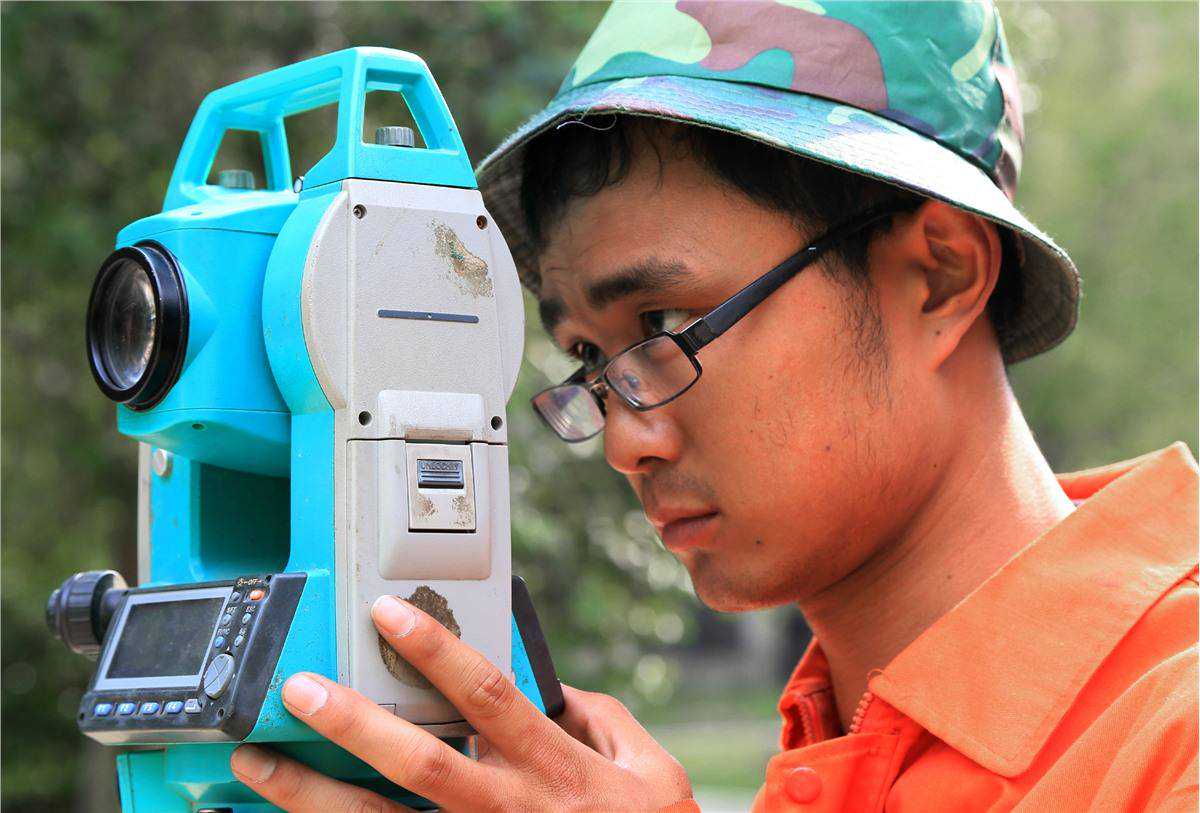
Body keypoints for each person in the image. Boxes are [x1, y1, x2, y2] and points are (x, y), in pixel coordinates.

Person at [229, 2, 1198, 810]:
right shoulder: (830, 750)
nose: (623, 440)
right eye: (588, 357)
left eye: (664, 323)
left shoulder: (1170, 731)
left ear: (937, 276)